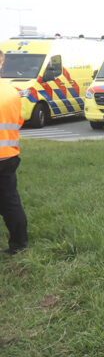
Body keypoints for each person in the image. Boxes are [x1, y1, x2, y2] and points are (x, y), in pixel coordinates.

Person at [0, 50, 27, 255]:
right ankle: (19, 244)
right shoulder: (12, 92)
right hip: (8, 155)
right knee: (10, 202)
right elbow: (19, 120)